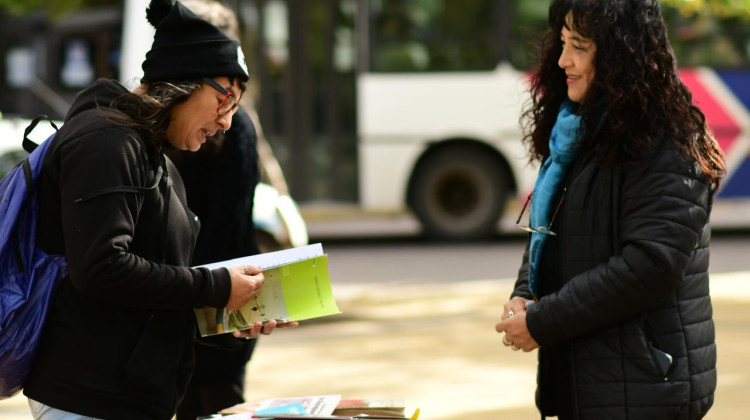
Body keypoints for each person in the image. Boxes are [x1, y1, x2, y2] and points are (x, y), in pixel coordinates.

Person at [21, 1, 297, 419]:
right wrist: (216, 286)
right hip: (89, 397)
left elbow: (150, 301)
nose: (226, 123)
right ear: (184, 82)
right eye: (227, 101)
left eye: (237, 109)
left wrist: (227, 321)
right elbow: (101, 267)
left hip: (133, 396)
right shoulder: (106, 141)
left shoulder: (159, 161)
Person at [494, 0, 725, 419]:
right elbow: (555, 230)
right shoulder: (579, 129)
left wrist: (544, 321)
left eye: (579, 46)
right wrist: (525, 293)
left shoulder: (669, 137)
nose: (563, 59)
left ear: (622, 52)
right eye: (562, 42)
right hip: (585, 385)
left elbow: (650, 264)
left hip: (647, 389)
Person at [167, 2, 263, 418]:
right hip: (204, 297)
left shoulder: (231, 125)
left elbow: (230, 221)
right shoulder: (171, 129)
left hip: (208, 298)